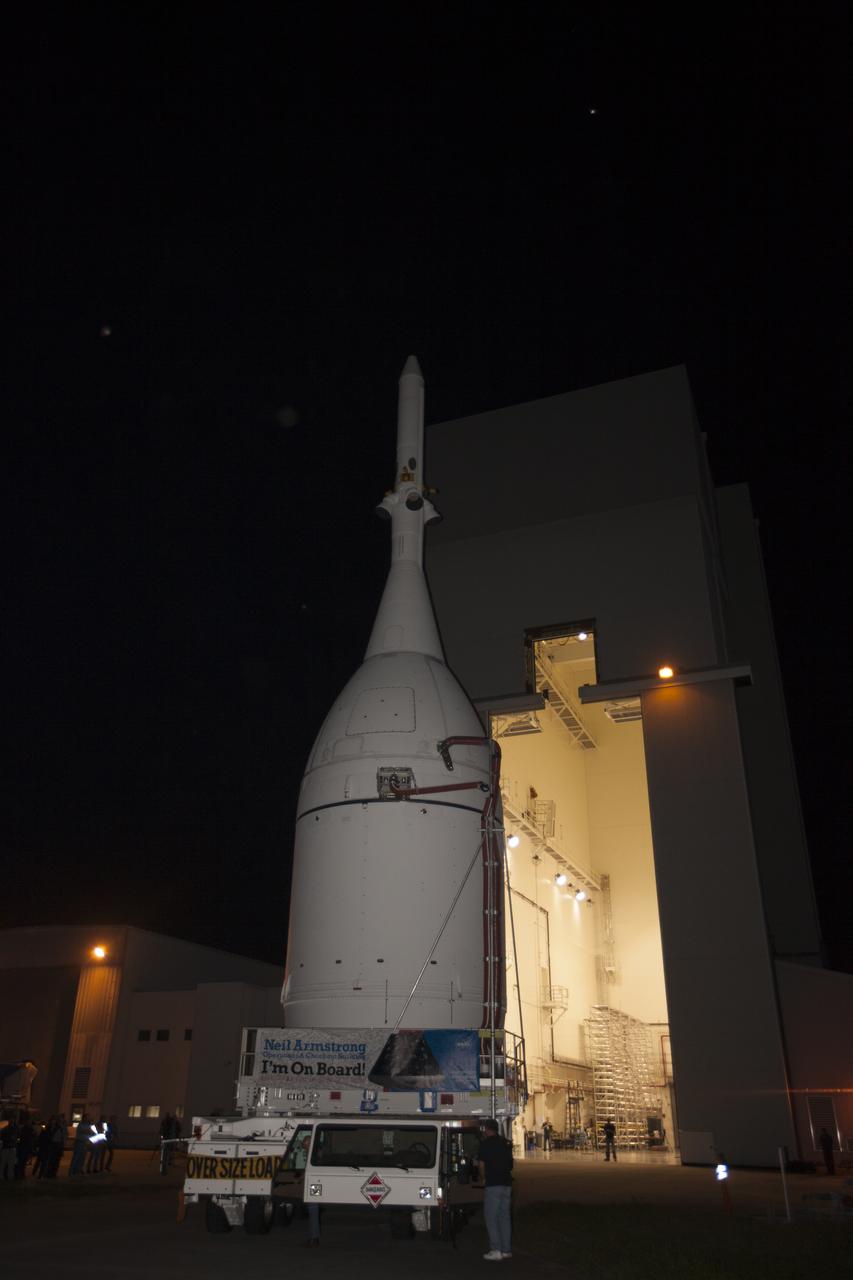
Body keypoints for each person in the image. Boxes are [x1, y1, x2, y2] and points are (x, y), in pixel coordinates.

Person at [477, 1117, 513, 1261]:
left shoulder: (485, 1144)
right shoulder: (506, 1143)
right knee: (504, 1217)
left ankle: (496, 1249)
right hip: (507, 1184)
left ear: (486, 1130)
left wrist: (483, 1177)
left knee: (491, 1217)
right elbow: (511, 1165)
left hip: (493, 1184)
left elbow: (481, 1164)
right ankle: (506, 1250)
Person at [294, 1134, 321, 1245]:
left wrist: (299, 1179)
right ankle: (314, 1236)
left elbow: (309, 1171)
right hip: (315, 1183)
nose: (304, 1147)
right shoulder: (316, 1152)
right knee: (313, 1210)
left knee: (313, 1209)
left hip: (315, 1184)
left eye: (305, 1144)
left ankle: (314, 1237)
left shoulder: (314, 1154)